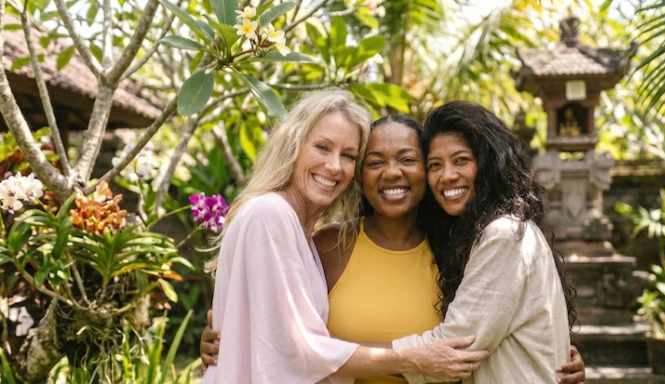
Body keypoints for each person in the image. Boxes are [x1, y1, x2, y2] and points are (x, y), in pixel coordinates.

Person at [200, 112, 586, 383]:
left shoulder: (458, 252)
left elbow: (485, 334)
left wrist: (548, 356)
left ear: (425, 171)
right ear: (359, 175)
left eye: (409, 159)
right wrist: (226, 339)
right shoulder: (326, 245)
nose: (392, 172)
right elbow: (277, 328)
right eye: (373, 161)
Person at [200, 91, 487, 384]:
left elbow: (274, 333)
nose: (335, 166)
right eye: (322, 147)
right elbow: (297, 348)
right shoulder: (273, 214)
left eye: (348, 155)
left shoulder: (303, 236)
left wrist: (233, 338)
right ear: (293, 145)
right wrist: (415, 358)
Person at [393, 101, 575, 383]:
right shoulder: (475, 235)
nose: (447, 175)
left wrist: (349, 359)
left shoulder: (504, 235)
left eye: (461, 160)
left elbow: (456, 347)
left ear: (489, 163)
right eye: (435, 165)